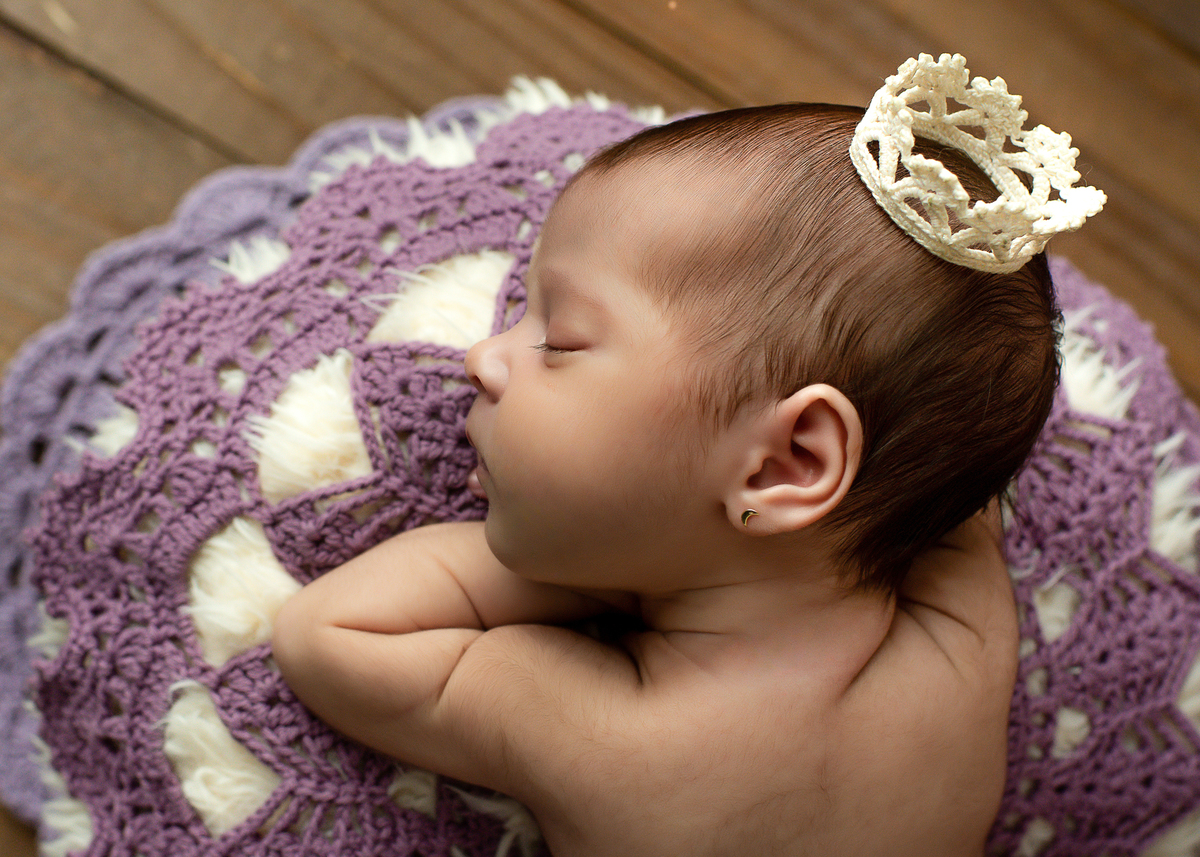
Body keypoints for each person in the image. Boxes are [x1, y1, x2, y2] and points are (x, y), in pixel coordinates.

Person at [272, 55, 1104, 856]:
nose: (483, 358)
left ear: (787, 465)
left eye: (558, 339)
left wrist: (593, 564)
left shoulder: (619, 744)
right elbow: (948, 446)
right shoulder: (968, 626)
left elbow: (328, 634)